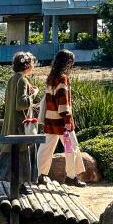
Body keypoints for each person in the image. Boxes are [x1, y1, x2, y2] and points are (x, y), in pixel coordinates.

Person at [0, 51, 39, 193]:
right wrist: (33, 94)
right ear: (27, 65)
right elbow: (20, 104)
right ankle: (17, 183)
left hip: (11, 122)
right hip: (19, 125)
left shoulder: (12, 79)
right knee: (20, 155)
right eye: (32, 63)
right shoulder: (22, 80)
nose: (33, 65)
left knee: (9, 152)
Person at [36, 49, 86, 187]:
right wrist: (67, 120)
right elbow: (63, 102)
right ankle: (71, 176)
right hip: (62, 122)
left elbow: (49, 100)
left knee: (46, 148)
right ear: (67, 62)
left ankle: (40, 174)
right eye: (72, 61)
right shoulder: (62, 78)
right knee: (72, 148)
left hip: (50, 119)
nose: (73, 64)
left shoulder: (51, 77)